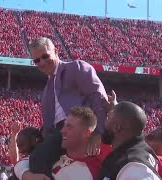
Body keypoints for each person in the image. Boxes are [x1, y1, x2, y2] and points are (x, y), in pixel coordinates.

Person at [29, 37, 108, 176]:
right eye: (37, 60)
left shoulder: (76, 67)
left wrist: (98, 131)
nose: (42, 62)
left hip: (77, 126)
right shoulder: (47, 89)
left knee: (37, 159)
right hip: (57, 132)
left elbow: (99, 97)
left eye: (45, 56)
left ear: (56, 51)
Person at [22, 107, 106, 180]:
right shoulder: (58, 152)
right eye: (64, 125)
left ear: (86, 133)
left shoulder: (85, 174)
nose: (62, 131)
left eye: (69, 127)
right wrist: (26, 175)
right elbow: (24, 161)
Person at [98, 101, 161, 180]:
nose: (103, 122)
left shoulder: (134, 168)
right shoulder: (140, 149)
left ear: (117, 127)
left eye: (108, 118)